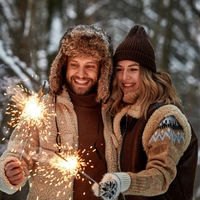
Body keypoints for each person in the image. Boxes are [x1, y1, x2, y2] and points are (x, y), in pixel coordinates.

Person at [0, 24, 118, 200]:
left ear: (103, 69)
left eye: (90, 66)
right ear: (63, 66)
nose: (81, 74)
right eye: (74, 65)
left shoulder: (115, 111)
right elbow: (16, 153)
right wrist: (8, 172)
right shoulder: (42, 107)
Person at [92, 25, 198, 200]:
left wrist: (122, 182)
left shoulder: (167, 118)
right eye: (119, 69)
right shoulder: (123, 116)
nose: (125, 77)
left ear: (147, 72)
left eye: (133, 69)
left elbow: (160, 177)